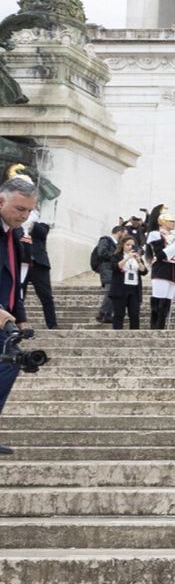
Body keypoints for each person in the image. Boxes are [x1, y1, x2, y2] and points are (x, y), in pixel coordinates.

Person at [0, 175, 40, 454]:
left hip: (6, 317)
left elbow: (13, 276)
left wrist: (19, 312)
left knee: (9, 366)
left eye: (28, 211)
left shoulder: (13, 233)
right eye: (19, 209)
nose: (24, 216)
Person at [145, 203, 175, 330]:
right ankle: (155, 327)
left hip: (173, 269)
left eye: (174, 221)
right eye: (171, 221)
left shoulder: (174, 236)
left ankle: (163, 326)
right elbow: (160, 255)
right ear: (162, 222)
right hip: (161, 269)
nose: (174, 223)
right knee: (159, 300)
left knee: (167, 301)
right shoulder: (155, 234)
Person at [90, 224, 126, 324]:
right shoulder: (105, 240)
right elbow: (102, 252)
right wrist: (117, 257)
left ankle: (108, 315)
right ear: (120, 232)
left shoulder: (117, 245)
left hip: (112, 269)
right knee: (111, 290)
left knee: (114, 292)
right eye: (124, 234)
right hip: (107, 268)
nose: (125, 237)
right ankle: (103, 313)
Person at [110, 237, 147, 330]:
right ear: (122, 245)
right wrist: (127, 258)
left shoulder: (137, 257)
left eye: (132, 245)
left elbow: (144, 271)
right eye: (128, 245)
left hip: (134, 287)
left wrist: (138, 260)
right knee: (119, 314)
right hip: (120, 288)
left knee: (135, 314)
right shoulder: (116, 256)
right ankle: (117, 334)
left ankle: (135, 334)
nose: (130, 247)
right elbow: (115, 267)